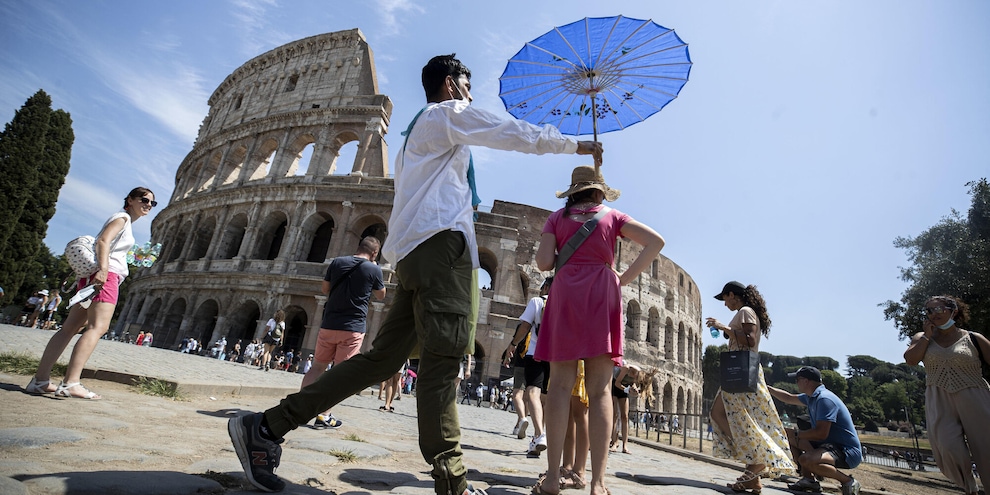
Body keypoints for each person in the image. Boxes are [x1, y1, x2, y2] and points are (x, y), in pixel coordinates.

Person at [227, 53, 601, 495]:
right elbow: (508, 132)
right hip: (443, 250)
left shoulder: (415, 137)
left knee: (382, 360)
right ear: (450, 85)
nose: (471, 94)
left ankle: (267, 427)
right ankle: (453, 481)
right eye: (467, 85)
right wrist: (576, 146)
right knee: (444, 359)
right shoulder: (445, 114)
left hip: (412, 255)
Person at [531, 165, 664, 495]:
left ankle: (551, 479)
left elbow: (544, 264)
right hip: (602, 291)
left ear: (573, 192)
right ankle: (598, 482)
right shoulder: (613, 217)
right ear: (599, 192)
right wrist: (622, 277)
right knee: (601, 390)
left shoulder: (555, 219)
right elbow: (655, 242)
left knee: (559, 387)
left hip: (565, 294)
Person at [26, 187, 156, 399]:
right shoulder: (122, 218)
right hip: (106, 276)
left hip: (94, 276)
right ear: (130, 200)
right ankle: (71, 383)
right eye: (144, 200)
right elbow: (103, 241)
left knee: (68, 328)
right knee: (98, 327)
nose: (148, 205)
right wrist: (104, 269)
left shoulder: (125, 222)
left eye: (152, 203)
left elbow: (109, 244)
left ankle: (40, 381)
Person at [706, 281, 794, 493]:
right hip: (741, 371)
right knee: (740, 418)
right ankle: (753, 474)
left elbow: (749, 339)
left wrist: (723, 327)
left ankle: (757, 459)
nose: (725, 303)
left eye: (725, 298)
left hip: (742, 370)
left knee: (722, 414)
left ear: (732, 294)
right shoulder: (745, 312)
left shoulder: (745, 311)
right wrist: (727, 331)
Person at [904, 295, 990, 495]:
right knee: (947, 445)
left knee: (987, 449)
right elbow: (911, 360)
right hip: (938, 397)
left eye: (939, 309)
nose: (934, 314)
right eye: (930, 310)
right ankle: (970, 487)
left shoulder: (973, 338)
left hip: (975, 395)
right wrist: (926, 335)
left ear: (954, 311)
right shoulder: (922, 338)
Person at [305, 236, 386, 429]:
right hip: (352, 328)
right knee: (339, 374)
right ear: (374, 253)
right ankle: (324, 415)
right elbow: (381, 295)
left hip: (329, 323)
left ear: (358, 247)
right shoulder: (374, 269)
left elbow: (325, 288)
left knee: (316, 367)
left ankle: (301, 408)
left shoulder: (337, 262)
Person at [768, 366, 863, 495]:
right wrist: (767, 389)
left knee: (805, 459)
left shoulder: (824, 399)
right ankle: (809, 480)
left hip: (846, 451)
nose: (796, 382)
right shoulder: (812, 397)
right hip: (828, 446)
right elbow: (789, 398)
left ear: (806, 381)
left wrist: (796, 433)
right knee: (789, 438)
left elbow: (821, 433)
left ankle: (848, 481)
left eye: (798, 379)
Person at [502, 277, 553, 455]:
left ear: (546, 287)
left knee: (532, 392)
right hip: (556, 357)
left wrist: (513, 344)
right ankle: (538, 438)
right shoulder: (563, 303)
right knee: (545, 401)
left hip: (536, 354)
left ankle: (539, 434)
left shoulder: (537, 301)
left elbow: (524, 326)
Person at [610, 363, 642, 453]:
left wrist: (635, 390)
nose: (635, 376)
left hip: (624, 390)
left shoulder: (637, 374)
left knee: (625, 417)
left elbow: (633, 384)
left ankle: (625, 445)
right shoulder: (625, 369)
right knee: (615, 415)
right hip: (615, 388)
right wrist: (627, 390)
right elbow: (617, 383)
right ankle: (614, 442)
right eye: (634, 374)